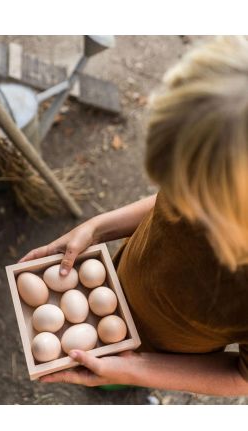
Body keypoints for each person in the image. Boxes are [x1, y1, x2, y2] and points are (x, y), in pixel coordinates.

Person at [20, 36, 248, 396]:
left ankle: (123, 389)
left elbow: (241, 377)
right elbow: (165, 205)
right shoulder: (222, 157)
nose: (180, 199)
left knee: (112, 383)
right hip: (126, 280)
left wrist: (136, 368)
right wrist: (98, 228)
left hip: (166, 353)